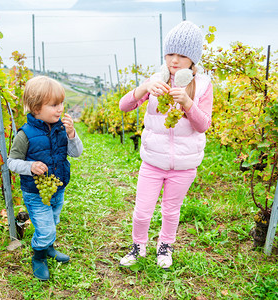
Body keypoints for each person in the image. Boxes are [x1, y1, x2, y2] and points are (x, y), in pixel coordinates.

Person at [118, 21, 213, 269]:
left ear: (193, 60)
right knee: (142, 210)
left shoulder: (202, 85)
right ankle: (138, 247)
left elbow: (203, 125)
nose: (174, 60)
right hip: (153, 161)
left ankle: (165, 247)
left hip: (184, 164)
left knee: (171, 211)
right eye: (170, 53)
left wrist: (189, 104)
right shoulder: (155, 81)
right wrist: (144, 89)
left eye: (182, 55)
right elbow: (123, 106)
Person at [8, 75, 83, 280]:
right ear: (36, 108)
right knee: (46, 227)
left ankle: (48, 247)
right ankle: (38, 257)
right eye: (53, 105)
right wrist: (30, 166)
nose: (60, 109)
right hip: (35, 192)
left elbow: (76, 153)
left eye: (61, 103)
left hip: (58, 188)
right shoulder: (25, 135)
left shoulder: (60, 129)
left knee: (53, 220)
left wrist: (72, 135)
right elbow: (12, 162)